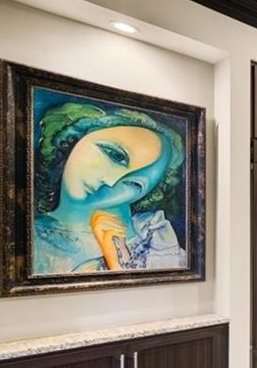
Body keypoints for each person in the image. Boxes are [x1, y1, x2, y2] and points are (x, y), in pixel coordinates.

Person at [32, 101, 186, 274]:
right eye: (114, 155)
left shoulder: (158, 245)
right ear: (75, 138)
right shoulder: (28, 236)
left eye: (135, 184)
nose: (111, 181)